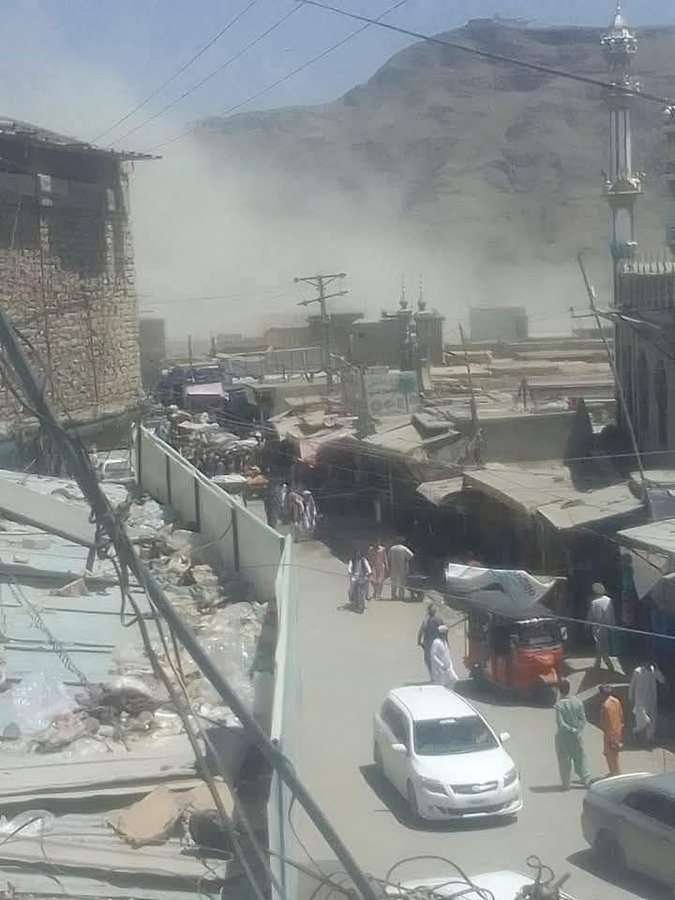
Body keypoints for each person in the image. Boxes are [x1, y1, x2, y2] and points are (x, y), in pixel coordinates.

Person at [554, 679, 591, 790]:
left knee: (564, 760)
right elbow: (583, 720)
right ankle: (586, 780)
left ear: (559, 690)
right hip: (577, 736)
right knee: (580, 758)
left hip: (563, 737)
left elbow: (560, 723)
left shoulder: (559, 705)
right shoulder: (578, 702)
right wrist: (578, 730)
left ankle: (566, 784)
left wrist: (570, 729)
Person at [629, 662, 665, 745]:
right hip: (640, 701)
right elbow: (632, 685)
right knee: (643, 721)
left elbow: (662, 680)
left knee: (652, 721)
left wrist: (657, 670)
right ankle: (636, 734)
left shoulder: (653, 671)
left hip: (651, 700)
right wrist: (630, 697)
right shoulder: (637, 671)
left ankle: (649, 739)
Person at [588, 583, 616, 672]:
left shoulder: (594, 602)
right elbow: (611, 614)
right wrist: (612, 626)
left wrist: (587, 624)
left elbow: (591, 615)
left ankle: (607, 664)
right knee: (603, 645)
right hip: (606, 626)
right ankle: (599, 663)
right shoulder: (609, 600)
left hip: (597, 627)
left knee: (600, 646)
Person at [599, 684, 624, 777]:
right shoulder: (616, 701)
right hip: (618, 730)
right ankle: (615, 771)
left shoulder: (605, 706)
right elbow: (621, 715)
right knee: (615, 753)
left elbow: (604, 721)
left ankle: (614, 772)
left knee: (609, 754)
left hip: (609, 733)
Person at [417, 604, 443, 676]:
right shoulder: (439, 620)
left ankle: (433, 675)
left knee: (428, 660)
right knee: (437, 659)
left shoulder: (426, 621)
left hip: (428, 644)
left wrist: (419, 641)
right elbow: (444, 632)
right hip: (436, 643)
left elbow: (420, 632)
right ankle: (438, 675)